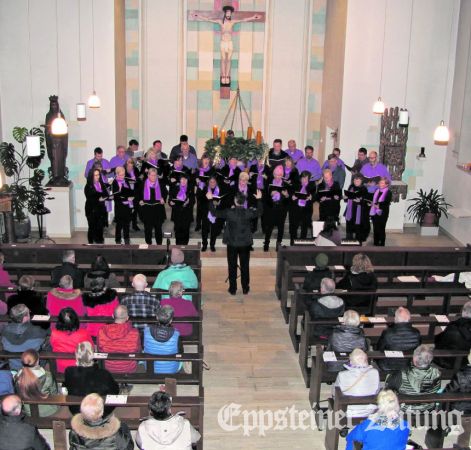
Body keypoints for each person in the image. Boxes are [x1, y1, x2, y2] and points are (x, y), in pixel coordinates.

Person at [208, 190, 263, 295]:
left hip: (232, 244)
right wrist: (259, 199)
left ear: (235, 201)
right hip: (245, 244)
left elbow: (214, 213)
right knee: (245, 266)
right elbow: (260, 212)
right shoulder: (248, 212)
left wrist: (210, 200)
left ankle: (233, 289)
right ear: (244, 201)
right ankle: (245, 288)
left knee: (232, 266)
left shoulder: (229, 212)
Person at [64, 341, 120, 415]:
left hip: (77, 410)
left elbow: (67, 387)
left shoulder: (69, 371)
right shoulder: (104, 373)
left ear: (77, 356)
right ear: (92, 355)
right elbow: (116, 390)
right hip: (101, 412)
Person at [136, 390, 201, 450]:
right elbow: (196, 439)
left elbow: (140, 444)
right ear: (169, 409)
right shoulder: (185, 424)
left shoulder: (142, 427)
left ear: (151, 411)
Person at [385, 344, 441, 412]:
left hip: (406, 409)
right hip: (428, 408)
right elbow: (437, 388)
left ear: (414, 359)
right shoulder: (437, 373)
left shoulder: (401, 374)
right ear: (431, 359)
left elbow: (389, 389)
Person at [69, 393, 134, 450]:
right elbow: (129, 447)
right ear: (102, 411)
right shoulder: (116, 432)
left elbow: (73, 447)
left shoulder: (74, 432)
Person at [332, 348, 380, 418]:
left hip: (347, 411)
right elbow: (377, 390)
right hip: (370, 411)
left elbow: (334, 392)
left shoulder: (342, 375)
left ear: (350, 361)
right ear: (366, 360)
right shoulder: (375, 372)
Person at [1, 304, 48, 370]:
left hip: (13, 366)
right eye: (29, 313)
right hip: (33, 367)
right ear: (25, 317)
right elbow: (44, 338)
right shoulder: (37, 331)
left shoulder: (4, 331)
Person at [14, 349, 60, 417]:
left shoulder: (17, 376)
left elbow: (17, 393)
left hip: (27, 411)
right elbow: (54, 394)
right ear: (37, 361)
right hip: (49, 410)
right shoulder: (48, 376)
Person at [97, 305, 141, 374]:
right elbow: (138, 351)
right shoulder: (135, 332)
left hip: (108, 368)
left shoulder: (102, 331)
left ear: (113, 316)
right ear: (127, 318)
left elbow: (99, 350)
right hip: (129, 369)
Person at [376, 307, 422, 371]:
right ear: (409, 318)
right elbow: (418, 349)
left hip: (388, 366)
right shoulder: (416, 332)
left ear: (395, 319)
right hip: (408, 364)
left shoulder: (387, 333)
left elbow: (379, 349)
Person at [50, 307, 93, 373]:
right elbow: (91, 347)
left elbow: (52, 345)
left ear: (59, 321)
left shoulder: (54, 333)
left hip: (61, 366)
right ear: (76, 320)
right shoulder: (84, 333)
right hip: (79, 365)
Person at [443, 349, 471, 448]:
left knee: (445, 400)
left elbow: (449, 390)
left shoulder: (461, 374)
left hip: (460, 407)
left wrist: (443, 391)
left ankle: (446, 426)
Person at [144, 305, 182, 374]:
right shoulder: (176, 334)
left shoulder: (146, 331)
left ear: (157, 317)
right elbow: (180, 352)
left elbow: (144, 347)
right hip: (171, 370)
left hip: (150, 368)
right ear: (171, 320)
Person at [435, 300, 471, 368]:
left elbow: (439, 342)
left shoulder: (452, 326)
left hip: (448, 362)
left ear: (463, 311)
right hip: (466, 363)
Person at [137, 168, 167, 245]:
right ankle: (148, 245)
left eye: (155, 175)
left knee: (158, 229)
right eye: (152, 175)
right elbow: (138, 195)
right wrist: (140, 200)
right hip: (147, 209)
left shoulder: (160, 183)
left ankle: (159, 245)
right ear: (148, 175)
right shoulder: (142, 184)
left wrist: (163, 198)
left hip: (158, 209)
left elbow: (165, 193)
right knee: (148, 229)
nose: (154, 177)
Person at [263, 164, 289, 251]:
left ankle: (278, 244)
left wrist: (286, 195)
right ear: (274, 174)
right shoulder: (269, 182)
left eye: (280, 175)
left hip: (281, 208)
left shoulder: (285, 184)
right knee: (269, 227)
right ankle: (266, 244)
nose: (278, 177)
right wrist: (270, 194)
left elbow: (288, 198)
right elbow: (264, 196)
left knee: (281, 227)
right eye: (276, 175)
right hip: (271, 208)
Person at [289, 170, 316, 244]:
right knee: (294, 227)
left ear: (309, 179)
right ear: (300, 178)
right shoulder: (295, 184)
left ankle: (302, 243)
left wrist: (311, 197)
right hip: (296, 209)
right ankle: (293, 243)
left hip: (306, 210)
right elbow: (290, 193)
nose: (304, 180)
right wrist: (292, 197)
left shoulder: (312, 186)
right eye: (303, 178)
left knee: (304, 228)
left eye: (306, 179)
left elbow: (315, 196)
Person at [201, 176, 226, 252]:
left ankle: (212, 245)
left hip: (216, 213)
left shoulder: (220, 190)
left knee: (214, 230)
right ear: (208, 182)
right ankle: (204, 245)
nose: (212, 183)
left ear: (216, 182)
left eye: (214, 182)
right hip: (206, 212)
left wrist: (219, 203)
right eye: (211, 182)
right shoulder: (205, 189)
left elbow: (224, 201)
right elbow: (200, 201)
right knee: (204, 230)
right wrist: (209, 201)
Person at [344, 174, 371, 243]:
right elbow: (347, 197)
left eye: (358, 180)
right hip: (350, 210)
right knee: (349, 225)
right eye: (355, 180)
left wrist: (360, 201)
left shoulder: (364, 189)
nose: (356, 181)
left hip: (359, 211)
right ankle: (349, 240)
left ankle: (358, 242)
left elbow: (366, 201)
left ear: (361, 181)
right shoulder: (351, 187)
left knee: (358, 227)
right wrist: (345, 198)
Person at [84, 168, 109, 244]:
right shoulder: (88, 186)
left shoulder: (101, 183)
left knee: (100, 227)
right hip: (92, 210)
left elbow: (106, 194)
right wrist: (99, 199)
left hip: (101, 209)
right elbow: (90, 198)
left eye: (98, 175)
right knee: (92, 228)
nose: (97, 177)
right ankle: (90, 244)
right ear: (91, 176)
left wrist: (107, 197)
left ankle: (100, 242)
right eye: (95, 175)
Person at [169, 173, 195, 245]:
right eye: (182, 179)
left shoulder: (190, 188)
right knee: (178, 231)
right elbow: (170, 198)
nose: (183, 181)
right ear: (179, 180)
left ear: (187, 180)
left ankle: (185, 247)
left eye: (185, 179)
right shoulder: (174, 187)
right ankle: (178, 247)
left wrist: (188, 202)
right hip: (177, 213)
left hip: (187, 214)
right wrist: (170, 202)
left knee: (186, 231)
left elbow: (193, 201)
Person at [112, 166, 135, 245]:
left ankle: (126, 238)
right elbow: (116, 196)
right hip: (119, 206)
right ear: (117, 174)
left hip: (127, 206)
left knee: (127, 223)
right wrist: (125, 198)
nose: (123, 176)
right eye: (121, 175)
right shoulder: (115, 182)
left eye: (124, 174)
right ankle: (118, 239)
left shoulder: (126, 181)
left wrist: (131, 197)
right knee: (119, 224)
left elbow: (129, 191)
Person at [194, 153, 215, 232]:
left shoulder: (212, 170)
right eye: (204, 159)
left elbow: (214, 182)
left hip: (208, 192)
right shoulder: (198, 170)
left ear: (209, 161)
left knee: (208, 209)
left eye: (208, 159)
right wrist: (196, 180)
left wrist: (208, 182)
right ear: (202, 160)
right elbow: (195, 180)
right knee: (199, 210)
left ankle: (207, 225)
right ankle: (198, 225)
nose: (206, 160)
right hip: (200, 192)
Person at [370, 177, 392, 246]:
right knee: (375, 228)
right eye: (380, 182)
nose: (380, 184)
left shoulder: (388, 192)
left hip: (383, 213)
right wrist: (371, 203)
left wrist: (379, 206)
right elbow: (374, 200)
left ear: (386, 184)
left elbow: (386, 203)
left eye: (382, 183)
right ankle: (375, 243)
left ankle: (382, 244)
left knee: (381, 228)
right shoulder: (377, 190)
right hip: (374, 212)